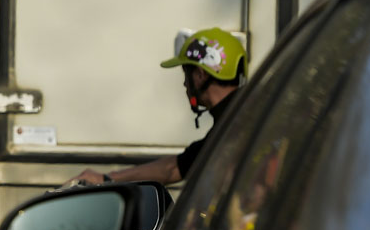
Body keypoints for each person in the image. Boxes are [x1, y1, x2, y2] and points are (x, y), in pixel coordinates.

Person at [70, 28, 248, 186]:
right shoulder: (242, 114)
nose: (185, 84)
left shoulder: (235, 126)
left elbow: (175, 168)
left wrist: (107, 179)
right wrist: (108, 179)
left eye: (186, 74)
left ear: (200, 75)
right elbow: (176, 167)